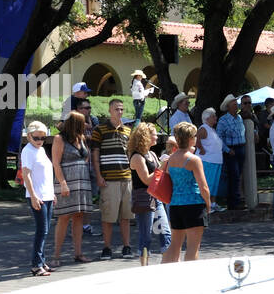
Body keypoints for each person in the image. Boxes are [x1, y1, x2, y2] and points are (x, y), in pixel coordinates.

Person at [163, 121, 212, 262]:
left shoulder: (170, 159)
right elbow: (203, 187)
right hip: (193, 204)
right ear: (190, 139)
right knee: (192, 248)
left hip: (175, 205)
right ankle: (191, 278)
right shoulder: (194, 160)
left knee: (174, 246)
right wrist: (208, 204)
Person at [91, 98, 133, 258]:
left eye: (122, 109)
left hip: (126, 178)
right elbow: (95, 154)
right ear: (110, 110)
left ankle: (126, 246)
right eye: (116, 109)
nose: (120, 112)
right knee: (108, 216)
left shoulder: (128, 131)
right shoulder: (99, 130)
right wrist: (99, 176)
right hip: (109, 179)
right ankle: (107, 247)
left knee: (126, 215)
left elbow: (130, 154)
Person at [51, 111, 93, 265]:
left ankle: (78, 253)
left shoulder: (80, 138)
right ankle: (56, 256)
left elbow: (86, 156)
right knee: (63, 218)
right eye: (83, 123)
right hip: (67, 183)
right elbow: (55, 162)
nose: (86, 125)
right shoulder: (59, 139)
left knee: (79, 217)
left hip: (82, 183)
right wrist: (62, 183)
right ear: (75, 123)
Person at [127, 122, 170, 265]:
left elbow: (160, 175)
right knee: (146, 237)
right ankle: (144, 268)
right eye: (154, 134)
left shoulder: (151, 154)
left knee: (165, 232)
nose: (157, 136)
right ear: (145, 136)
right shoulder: (137, 157)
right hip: (144, 199)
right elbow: (147, 180)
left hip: (156, 198)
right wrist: (162, 165)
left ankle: (167, 265)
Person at [20, 121, 55, 276]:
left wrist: (52, 193)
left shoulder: (40, 150)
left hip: (46, 195)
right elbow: (26, 175)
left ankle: (41, 261)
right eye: (36, 137)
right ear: (29, 136)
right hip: (37, 196)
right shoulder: (28, 151)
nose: (40, 140)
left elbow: (45, 174)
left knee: (45, 231)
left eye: (43, 137)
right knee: (42, 230)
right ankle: (36, 265)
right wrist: (33, 196)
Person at [216, 94, 246, 209]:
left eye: (236, 104)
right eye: (234, 105)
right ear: (228, 107)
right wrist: (227, 150)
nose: (236, 106)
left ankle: (235, 200)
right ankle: (233, 202)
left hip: (240, 148)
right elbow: (219, 138)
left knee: (237, 175)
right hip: (231, 150)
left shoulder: (239, 118)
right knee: (234, 176)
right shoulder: (223, 120)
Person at [196, 107, 226, 213]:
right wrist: (202, 149)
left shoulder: (212, 129)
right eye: (213, 116)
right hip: (208, 161)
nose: (215, 118)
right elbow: (196, 139)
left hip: (216, 161)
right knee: (208, 183)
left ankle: (213, 203)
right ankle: (205, 205)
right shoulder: (203, 128)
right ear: (207, 118)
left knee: (214, 184)